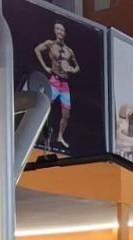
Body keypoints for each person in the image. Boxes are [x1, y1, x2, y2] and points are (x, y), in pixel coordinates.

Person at [34, 22, 80, 150]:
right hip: (54, 81)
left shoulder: (70, 51)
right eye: (58, 29)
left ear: (65, 33)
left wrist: (72, 69)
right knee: (44, 108)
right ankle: (40, 133)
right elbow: (37, 50)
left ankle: (60, 136)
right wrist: (45, 67)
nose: (60, 32)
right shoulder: (50, 44)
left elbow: (77, 67)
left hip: (64, 85)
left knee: (66, 114)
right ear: (55, 31)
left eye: (62, 30)